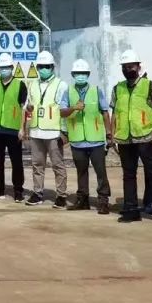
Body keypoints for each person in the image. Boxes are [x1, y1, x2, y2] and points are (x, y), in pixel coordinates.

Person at [111, 49, 152, 225]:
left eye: (131, 66)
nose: (128, 69)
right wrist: (113, 136)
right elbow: (115, 113)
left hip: (146, 137)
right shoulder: (118, 88)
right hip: (125, 139)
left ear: (138, 67)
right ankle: (131, 210)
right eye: (125, 67)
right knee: (128, 175)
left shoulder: (151, 87)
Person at [62, 59, 113, 214]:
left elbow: (105, 112)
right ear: (73, 74)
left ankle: (103, 201)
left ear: (88, 74)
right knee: (81, 172)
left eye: (83, 73)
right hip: (77, 141)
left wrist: (109, 134)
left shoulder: (96, 91)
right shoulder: (68, 92)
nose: (81, 76)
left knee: (101, 172)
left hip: (96, 140)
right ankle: (82, 200)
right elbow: (62, 112)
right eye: (78, 73)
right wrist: (74, 107)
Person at [25, 51, 69, 208]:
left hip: (53, 132)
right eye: (41, 66)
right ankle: (37, 193)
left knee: (58, 165)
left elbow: (64, 110)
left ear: (52, 67)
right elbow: (28, 105)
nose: (44, 69)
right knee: (37, 164)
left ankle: (61, 195)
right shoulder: (32, 84)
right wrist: (28, 108)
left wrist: (64, 132)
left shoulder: (61, 85)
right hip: (36, 131)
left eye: (47, 66)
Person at [0, 53, 27, 202]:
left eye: (6, 67)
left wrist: (22, 128)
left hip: (13, 129)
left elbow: (23, 108)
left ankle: (18, 191)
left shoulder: (20, 85)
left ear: (12, 67)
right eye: (1, 67)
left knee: (17, 162)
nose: (4, 70)